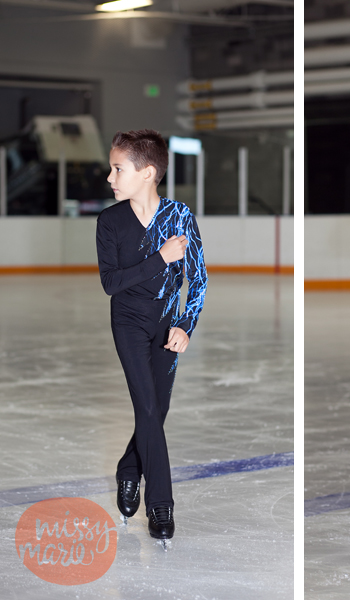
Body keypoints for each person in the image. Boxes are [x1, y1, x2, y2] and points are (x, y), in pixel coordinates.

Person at [96, 129, 208, 545]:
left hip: (166, 325)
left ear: (147, 173)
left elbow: (198, 278)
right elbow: (111, 283)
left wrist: (185, 325)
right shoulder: (110, 221)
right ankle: (161, 504)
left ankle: (129, 468)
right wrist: (160, 258)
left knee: (156, 410)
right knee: (146, 406)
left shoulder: (180, 216)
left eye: (118, 169)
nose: (110, 177)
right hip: (127, 322)